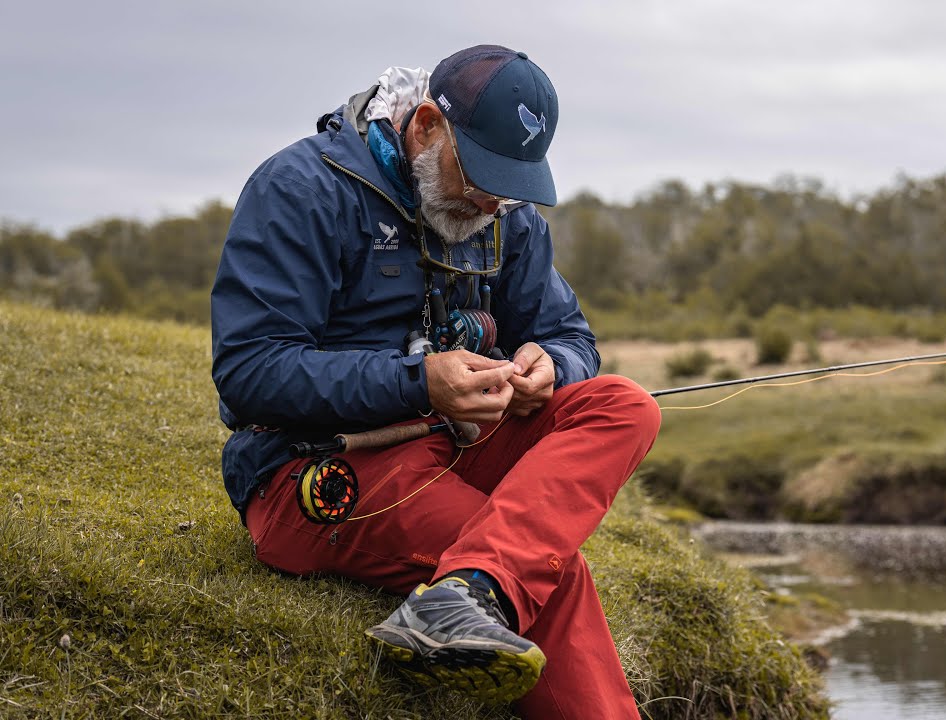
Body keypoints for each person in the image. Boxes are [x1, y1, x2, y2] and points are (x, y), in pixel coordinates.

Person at [210, 45, 660, 718]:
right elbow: (249, 371)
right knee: (551, 577)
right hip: (319, 466)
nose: (490, 198)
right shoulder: (301, 188)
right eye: (478, 172)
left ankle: (466, 590)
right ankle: (478, 586)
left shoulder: (505, 215)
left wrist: (552, 365)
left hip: (455, 444)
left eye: (510, 182)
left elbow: (573, 337)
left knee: (624, 405)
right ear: (425, 127)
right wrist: (419, 382)